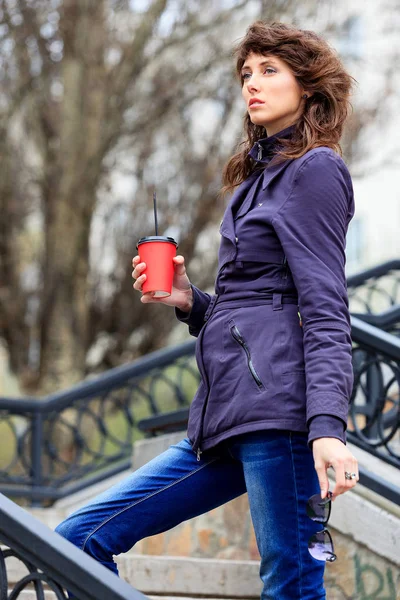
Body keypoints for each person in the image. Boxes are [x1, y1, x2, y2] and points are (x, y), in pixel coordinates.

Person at [56, 21, 359, 599]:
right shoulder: (256, 181)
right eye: (247, 73)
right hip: (224, 414)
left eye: (270, 70)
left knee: (290, 587)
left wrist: (327, 428)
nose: (252, 83)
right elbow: (256, 304)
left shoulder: (314, 170)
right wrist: (191, 302)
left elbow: (324, 308)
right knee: (77, 537)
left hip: (283, 417)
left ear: (309, 85)